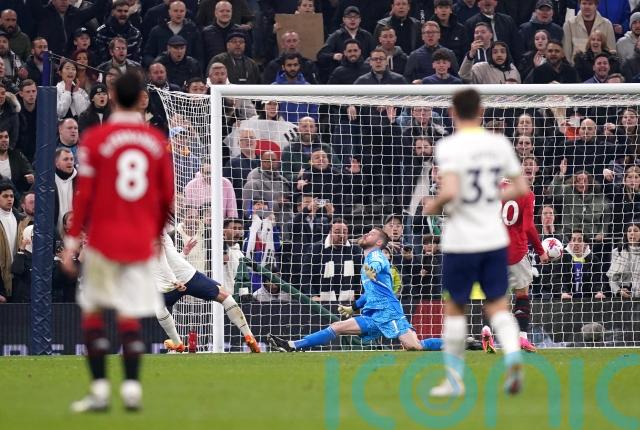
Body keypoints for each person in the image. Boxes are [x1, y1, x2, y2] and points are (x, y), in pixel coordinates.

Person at [61, 72, 174, 413]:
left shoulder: (96, 138)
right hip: (139, 241)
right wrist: (157, 235)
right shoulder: (155, 141)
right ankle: (132, 390)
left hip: (103, 239)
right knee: (129, 314)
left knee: (94, 311)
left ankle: (99, 391)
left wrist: (72, 241)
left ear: (111, 96)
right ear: (140, 98)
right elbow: (166, 196)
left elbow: (84, 194)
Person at [423, 88, 529, 397]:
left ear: (453, 113)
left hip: (460, 240)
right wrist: (490, 196)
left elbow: (450, 191)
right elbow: (521, 187)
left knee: (456, 307)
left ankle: (454, 380)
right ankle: (513, 357)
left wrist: (433, 205)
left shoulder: (449, 146)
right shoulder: (498, 144)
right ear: (481, 111)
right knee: (498, 304)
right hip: (493, 238)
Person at [268, 227, 447, 353]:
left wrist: (372, 270)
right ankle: (292, 345)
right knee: (337, 327)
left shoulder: (377, 256)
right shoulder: (367, 259)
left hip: (389, 312)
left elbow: (377, 265)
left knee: (414, 347)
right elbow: (371, 292)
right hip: (373, 315)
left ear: (378, 242)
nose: (366, 234)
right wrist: (353, 307)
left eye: (371, 234)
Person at [152, 230, 260, 352]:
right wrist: (174, 280)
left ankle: (177, 343)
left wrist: (183, 253)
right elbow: (160, 258)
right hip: (187, 277)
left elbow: (167, 257)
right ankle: (249, 336)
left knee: (159, 306)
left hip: (167, 286)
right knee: (225, 297)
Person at [562, 0, 616, 65]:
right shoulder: (569, 24)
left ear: (596, 5)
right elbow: (566, 52)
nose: (587, 7)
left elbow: (612, 51)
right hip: (576, 68)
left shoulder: (607, 24)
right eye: (584, 3)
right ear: (579, 5)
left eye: (590, 4)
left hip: (601, 68)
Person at [607, 222, 640, 299]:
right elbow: (612, 279)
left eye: (635, 231)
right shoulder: (617, 252)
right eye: (629, 231)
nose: (632, 233)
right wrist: (618, 291)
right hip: (622, 297)